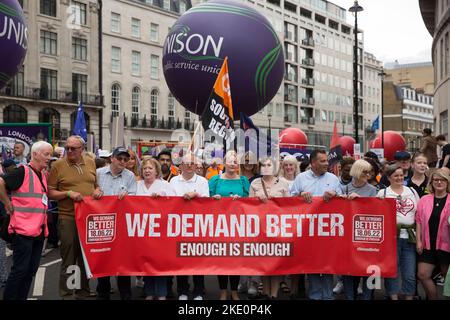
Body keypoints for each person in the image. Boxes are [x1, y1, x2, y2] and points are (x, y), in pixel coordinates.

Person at [48, 135, 103, 299]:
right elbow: (50, 192)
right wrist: (67, 193)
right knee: (69, 257)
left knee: (84, 257)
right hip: (68, 217)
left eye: (74, 148)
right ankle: (66, 294)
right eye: (67, 148)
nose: (70, 151)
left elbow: (95, 185)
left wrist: (98, 190)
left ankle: (83, 292)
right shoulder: (58, 165)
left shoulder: (91, 162)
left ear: (82, 149)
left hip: (88, 218)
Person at [0, 141, 53, 300]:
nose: (49, 158)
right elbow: (1, 182)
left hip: (38, 230)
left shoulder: (42, 175)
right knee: (20, 270)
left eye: (50, 154)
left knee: (30, 271)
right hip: (23, 230)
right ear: (35, 154)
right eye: (46, 154)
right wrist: (7, 203)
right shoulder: (22, 171)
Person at [290, 149, 342, 300]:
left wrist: (335, 195)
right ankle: (314, 296)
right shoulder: (300, 178)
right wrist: (300, 196)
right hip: (308, 230)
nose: (327, 163)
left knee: (327, 262)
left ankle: (327, 296)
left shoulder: (333, 179)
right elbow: (290, 201)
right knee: (311, 263)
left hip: (328, 230)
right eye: (323, 161)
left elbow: (342, 201)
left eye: (327, 160)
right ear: (313, 163)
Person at [95, 147, 137, 300]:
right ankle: (103, 292)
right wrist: (95, 192)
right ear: (111, 158)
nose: (123, 162)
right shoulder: (98, 173)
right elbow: (91, 192)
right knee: (103, 258)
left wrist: (128, 196)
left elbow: (134, 196)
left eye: (126, 159)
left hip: (121, 226)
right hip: (103, 223)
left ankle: (125, 293)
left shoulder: (130, 176)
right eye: (120, 158)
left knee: (122, 259)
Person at [209, 150, 250, 300]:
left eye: (235, 161)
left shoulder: (243, 181)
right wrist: (213, 199)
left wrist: (241, 200)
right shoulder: (215, 180)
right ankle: (223, 291)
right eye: (230, 160)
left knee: (235, 258)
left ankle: (234, 290)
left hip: (238, 226)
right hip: (219, 225)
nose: (233, 164)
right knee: (222, 258)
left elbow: (250, 201)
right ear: (224, 162)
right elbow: (206, 200)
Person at [170, 153, 209, 300]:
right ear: (181, 166)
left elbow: (207, 200)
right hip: (178, 226)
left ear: (196, 165)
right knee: (181, 259)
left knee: (198, 259)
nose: (189, 165)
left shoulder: (203, 181)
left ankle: (198, 291)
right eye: (186, 163)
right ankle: (182, 291)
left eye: (192, 163)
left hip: (197, 226)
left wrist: (196, 194)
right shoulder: (173, 181)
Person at [377, 165, 420, 300]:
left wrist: (420, 239)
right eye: (396, 175)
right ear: (389, 177)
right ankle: (393, 297)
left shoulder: (412, 191)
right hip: (391, 239)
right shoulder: (382, 194)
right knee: (392, 270)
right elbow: (376, 215)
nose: (399, 178)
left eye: (401, 175)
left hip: (410, 238)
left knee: (409, 273)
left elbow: (419, 216)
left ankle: (409, 297)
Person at [250, 157, 289, 299]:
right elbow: (248, 206)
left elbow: (290, 206)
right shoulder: (254, 183)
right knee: (263, 264)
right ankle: (266, 293)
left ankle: (273, 295)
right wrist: (257, 200)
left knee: (275, 264)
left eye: (269, 165)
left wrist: (278, 201)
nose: (266, 167)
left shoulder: (283, 183)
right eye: (263, 165)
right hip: (260, 229)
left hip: (278, 229)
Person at [136, 157, 175, 300]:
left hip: (160, 231)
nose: (147, 171)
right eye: (145, 168)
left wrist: (163, 196)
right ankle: (149, 292)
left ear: (156, 171)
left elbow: (174, 202)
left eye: (150, 168)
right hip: (142, 230)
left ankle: (162, 293)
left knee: (159, 263)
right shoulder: (137, 185)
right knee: (146, 262)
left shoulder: (164, 185)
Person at [340, 159, 377, 300]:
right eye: (365, 171)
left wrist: (361, 200)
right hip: (349, 236)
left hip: (367, 236)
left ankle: (368, 297)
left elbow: (375, 212)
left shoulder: (373, 190)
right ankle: (350, 296)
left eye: (369, 172)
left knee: (370, 269)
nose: (368, 175)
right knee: (349, 269)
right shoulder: (344, 189)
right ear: (356, 171)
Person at [416, 169, 450, 300]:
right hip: (428, 244)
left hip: (446, 246)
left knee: (448, 279)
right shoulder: (425, 199)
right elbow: (418, 220)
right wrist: (419, 241)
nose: (439, 182)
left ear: (447, 182)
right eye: (436, 180)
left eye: (442, 180)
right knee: (423, 274)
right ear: (432, 182)